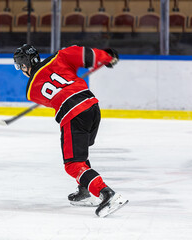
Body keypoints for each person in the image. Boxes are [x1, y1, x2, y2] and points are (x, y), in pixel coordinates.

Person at [13, 44, 128, 217]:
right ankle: (84, 191)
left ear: (23, 65)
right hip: (92, 106)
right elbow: (84, 54)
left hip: (73, 115)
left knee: (73, 164)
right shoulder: (59, 57)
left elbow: (55, 95)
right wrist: (106, 56)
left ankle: (106, 193)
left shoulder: (31, 91)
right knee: (80, 155)